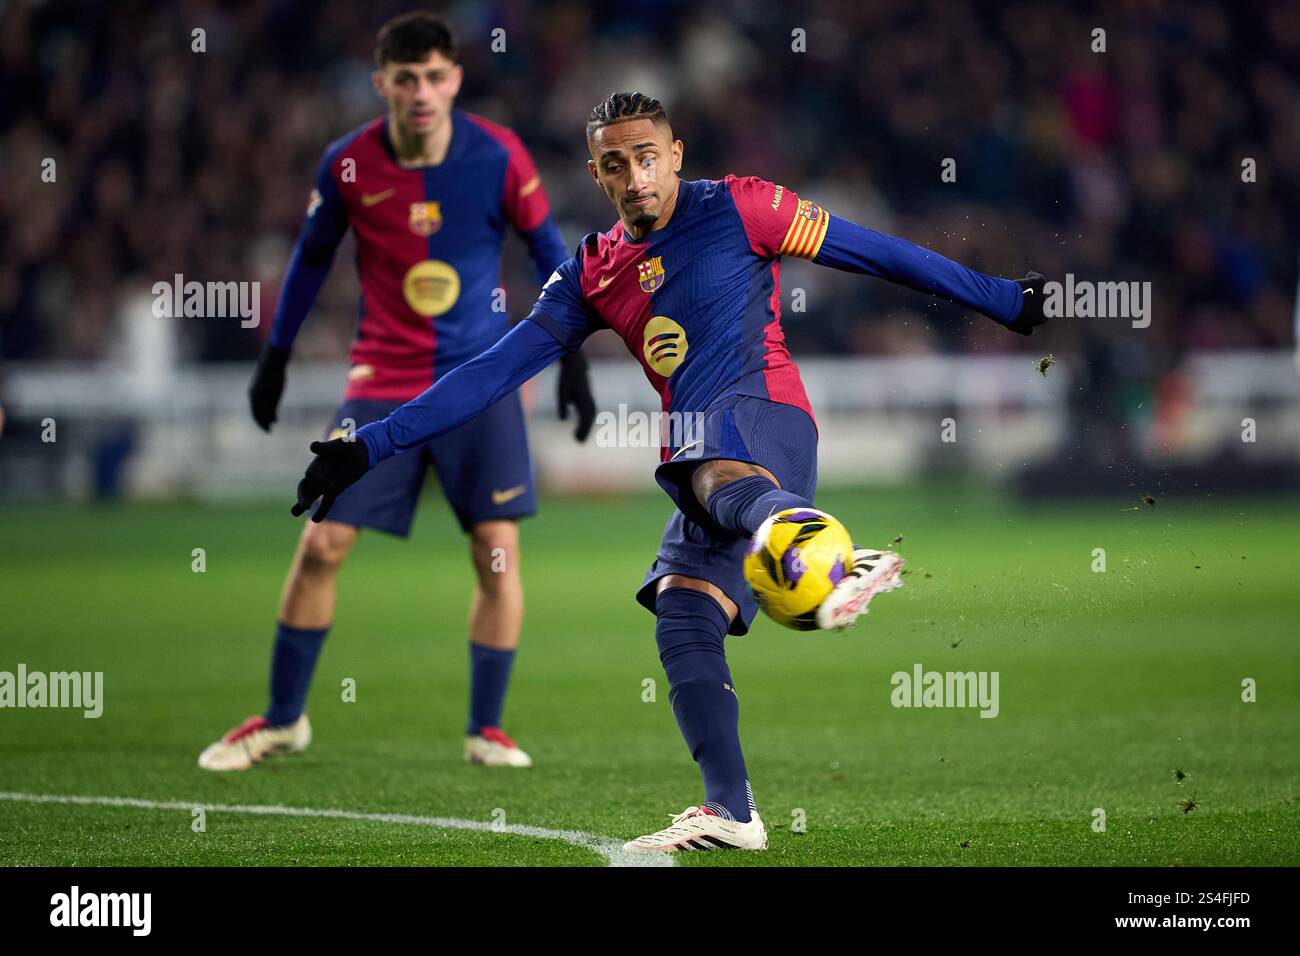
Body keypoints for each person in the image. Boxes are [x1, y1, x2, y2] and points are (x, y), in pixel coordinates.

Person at [290, 92, 1048, 849]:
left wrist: (1003, 299)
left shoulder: (744, 206)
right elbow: (491, 371)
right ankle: (732, 810)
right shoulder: (590, 272)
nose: (636, 176)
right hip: (705, 459)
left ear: (676, 155)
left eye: (648, 157)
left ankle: (824, 553)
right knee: (683, 611)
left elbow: (877, 251)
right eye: (615, 164)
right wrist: (370, 444)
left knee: (708, 464)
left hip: (767, 419)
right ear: (597, 173)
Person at [199, 13, 594, 772]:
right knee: (321, 542)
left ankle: (487, 729)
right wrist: (275, 355)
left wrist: (572, 359)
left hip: (481, 380)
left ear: (456, 79)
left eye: (435, 76)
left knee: (497, 553)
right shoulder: (347, 164)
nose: (421, 91)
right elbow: (310, 261)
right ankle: (283, 720)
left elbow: (551, 252)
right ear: (381, 82)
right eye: (406, 78)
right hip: (381, 380)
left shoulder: (500, 155)